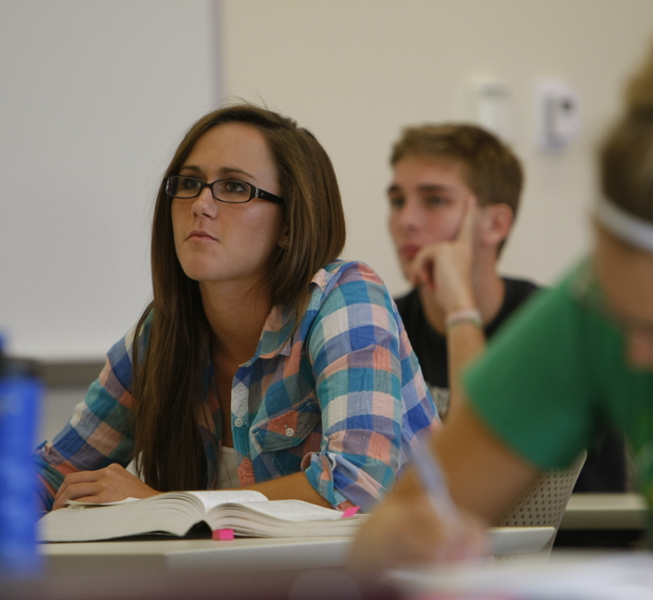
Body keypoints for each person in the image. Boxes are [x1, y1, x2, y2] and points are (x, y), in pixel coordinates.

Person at [351, 15, 653, 580]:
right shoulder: (587, 308)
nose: (635, 356)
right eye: (621, 317)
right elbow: (395, 527)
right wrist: (406, 541)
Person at [35, 103, 437, 513]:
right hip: (261, 576)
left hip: (414, 570)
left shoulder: (345, 296)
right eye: (189, 182)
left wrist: (168, 504)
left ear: (289, 226)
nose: (200, 205)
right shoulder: (164, 332)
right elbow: (53, 475)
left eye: (234, 188)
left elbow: (358, 486)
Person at [387, 123, 626, 492]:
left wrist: (458, 305)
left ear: (496, 224)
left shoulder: (556, 327)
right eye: (397, 201)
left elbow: (471, 473)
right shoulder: (383, 324)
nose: (406, 221)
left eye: (435, 200)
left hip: (564, 544)